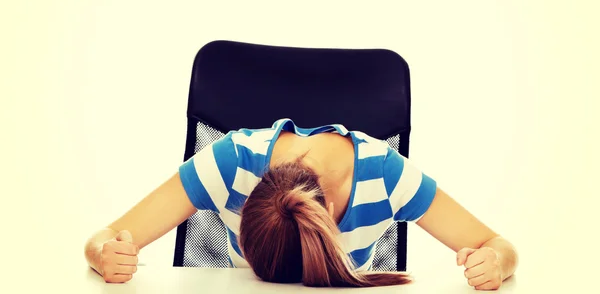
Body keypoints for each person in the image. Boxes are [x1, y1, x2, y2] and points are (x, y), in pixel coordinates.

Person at [84, 118, 518, 289]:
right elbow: (104, 237)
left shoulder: (386, 175)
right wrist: (106, 255)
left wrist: (495, 263)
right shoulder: (232, 163)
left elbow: (498, 245)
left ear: (327, 215)